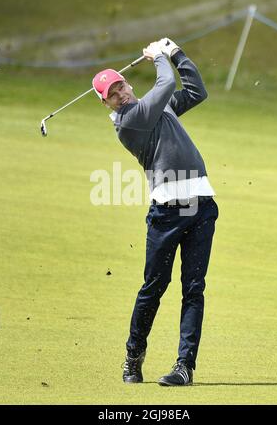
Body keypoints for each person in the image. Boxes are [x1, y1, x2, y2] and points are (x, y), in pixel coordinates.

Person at [92, 38, 219, 386]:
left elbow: (196, 90)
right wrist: (159, 56)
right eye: (112, 94)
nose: (121, 94)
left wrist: (177, 54)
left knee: (194, 288)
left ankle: (185, 367)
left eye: (121, 86)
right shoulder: (130, 121)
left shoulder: (155, 108)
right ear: (106, 103)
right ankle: (134, 356)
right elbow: (165, 84)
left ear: (129, 83)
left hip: (202, 206)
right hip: (166, 214)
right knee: (154, 287)